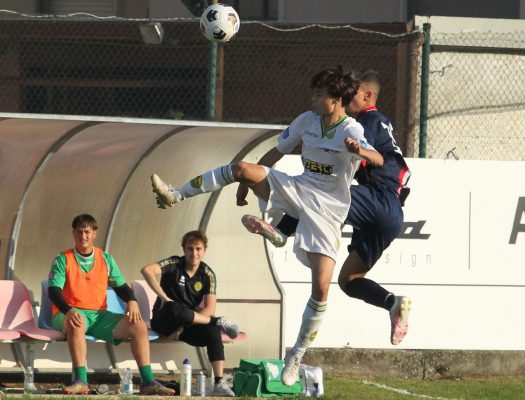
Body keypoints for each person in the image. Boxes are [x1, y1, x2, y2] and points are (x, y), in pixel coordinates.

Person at [150, 66, 383, 386]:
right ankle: (175, 195)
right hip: (299, 188)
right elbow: (277, 150)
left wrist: (361, 152)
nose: (313, 98)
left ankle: (297, 353)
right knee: (240, 168)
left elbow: (378, 160)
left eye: (319, 94)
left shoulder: (352, 129)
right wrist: (248, 182)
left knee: (321, 288)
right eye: (314, 93)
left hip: (328, 212)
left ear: (337, 99)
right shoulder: (307, 121)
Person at [241, 69, 412, 346]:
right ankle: (393, 303)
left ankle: (280, 231)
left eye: (351, 94)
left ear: (367, 96)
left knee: (319, 196)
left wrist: (304, 142)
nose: (344, 98)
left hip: (376, 197)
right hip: (388, 213)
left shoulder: (365, 121)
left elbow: (342, 148)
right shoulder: (378, 123)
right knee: (349, 280)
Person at [47, 214, 175, 395]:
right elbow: (53, 291)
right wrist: (68, 311)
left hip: (99, 315)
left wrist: (132, 300)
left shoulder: (106, 259)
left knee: (138, 325)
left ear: (94, 234)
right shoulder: (63, 259)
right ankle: (81, 381)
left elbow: (121, 287)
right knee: (77, 322)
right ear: (73, 233)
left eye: (87, 232)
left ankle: (148, 382)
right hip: (69, 313)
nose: (83, 237)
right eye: (79, 232)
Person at [141, 230, 238, 397]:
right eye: (190, 249)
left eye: (198, 249)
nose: (194, 253)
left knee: (213, 331)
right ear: (184, 250)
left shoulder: (207, 274)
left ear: (205, 250)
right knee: (174, 306)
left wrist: (183, 327)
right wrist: (164, 298)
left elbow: (210, 309)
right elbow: (147, 270)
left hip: (185, 325)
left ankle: (219, 384)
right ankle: (217, 321)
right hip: (164, 319)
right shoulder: (174, 263)